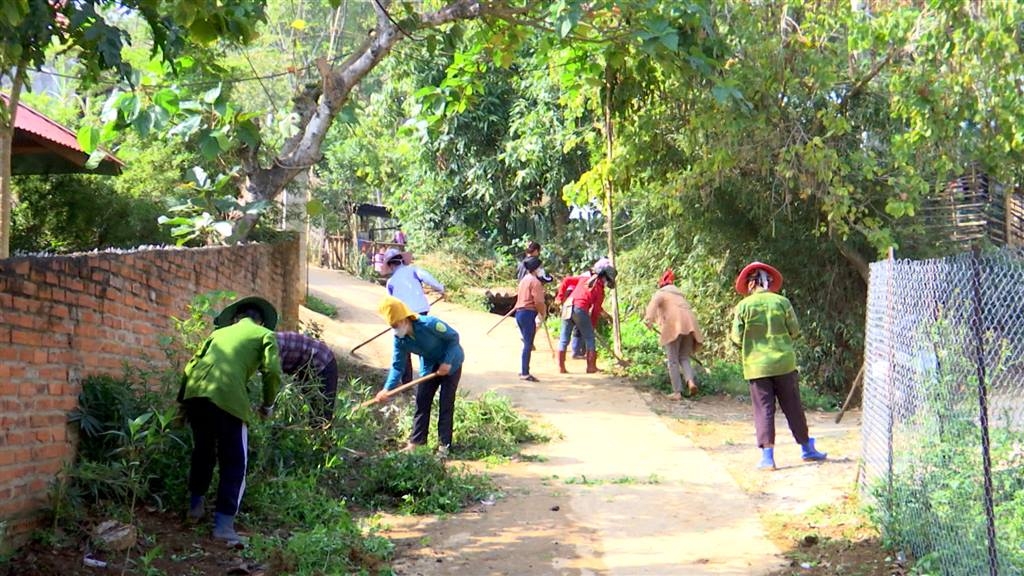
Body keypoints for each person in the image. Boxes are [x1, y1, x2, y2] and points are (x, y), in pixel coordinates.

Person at [177, 296, 282, 544]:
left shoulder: (217, 334)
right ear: (261, 320)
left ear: (236, 317)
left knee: (203, 451)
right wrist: (267, 404)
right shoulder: (265, 335)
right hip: (227, 398)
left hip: (196, 394)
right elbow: (273, 372)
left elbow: (191, 365)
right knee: (235, 462)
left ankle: (195, 507)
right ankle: (223, 527)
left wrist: (182, 402)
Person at [730, 262, 827, 471]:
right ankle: (806, 448)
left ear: (751, 284)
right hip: (784, 363)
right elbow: (795, 331)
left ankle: (768, 457)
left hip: (757, 367)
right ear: (768, 283)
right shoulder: (782, 302)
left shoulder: (743, 307)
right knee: (793, 407)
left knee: (764, 409)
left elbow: (736, 338)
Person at [375, 296, 465, 458]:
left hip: (451, 363)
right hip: (430, 368)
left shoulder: (429, 324)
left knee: (446, 403)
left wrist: (447, 362)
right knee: (422, 401)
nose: (395, 329)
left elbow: (454, 338)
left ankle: (444, 445)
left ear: (404, 319)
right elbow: (397, 366)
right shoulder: (400, 340)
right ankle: (417, 442)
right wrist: (387, 389)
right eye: (392, 326)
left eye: (396, 325)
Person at [384, 248, 446, 383]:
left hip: (403, 316)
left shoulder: (391, 282)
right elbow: (428, 278)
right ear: (401, 261)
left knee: (404, 347)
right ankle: (425, 377)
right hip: (420, 312)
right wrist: (441, 288)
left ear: (391, 265)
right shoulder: (413, 271)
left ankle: (407, 382)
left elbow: (391, 303)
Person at [644, 269, 704, 399]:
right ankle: (690, 382)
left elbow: (654, 304)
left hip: (674, 325)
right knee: (684, 357)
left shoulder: (662, 293)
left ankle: (677, 392)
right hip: (690, 326)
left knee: (672, 361)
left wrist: (648, 319)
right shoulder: (679, 296)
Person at [557, 259, 616, 374]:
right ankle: (591, 367)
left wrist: (560, 297)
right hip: (580, 308)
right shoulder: (600, 290)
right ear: (605, 278)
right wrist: (591, 327)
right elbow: (595, 311)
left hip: (568, 305)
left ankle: (561, 367)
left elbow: (567, 280)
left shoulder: (584, 279)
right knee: (589, 338)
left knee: (564, 338)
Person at [275, 331, 338, 421]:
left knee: (321, 413)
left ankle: (319, 432)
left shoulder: (270, 349)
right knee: (299, 405)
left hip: (323, 361)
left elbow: (273, 380)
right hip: (302, 366)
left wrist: (267, 408)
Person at [514, 256, 547, 382]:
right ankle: (525, 372)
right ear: (536, 268)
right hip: (528, 313)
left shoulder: (524, 280)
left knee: (527, 343)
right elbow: (538, 301)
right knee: (528, 344)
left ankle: (523, 369)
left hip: (519, 313)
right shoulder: (535, 282)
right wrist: (543, 313)